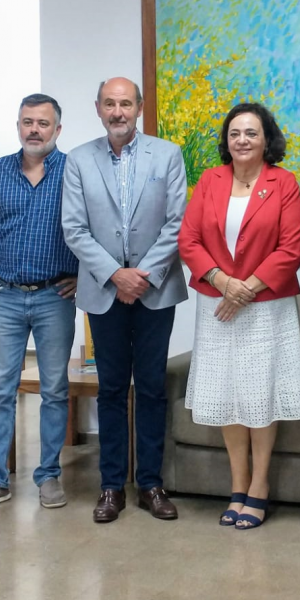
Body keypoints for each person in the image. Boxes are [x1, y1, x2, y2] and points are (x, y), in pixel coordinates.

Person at [61, 77, 188, 523]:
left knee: (151, 387)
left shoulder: (167, 155)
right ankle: (111, 485)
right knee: (111, 389)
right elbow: (74, 228)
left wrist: (141, 276)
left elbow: (177, 223)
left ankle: (151, 484)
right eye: (110, 104)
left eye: (126, 104)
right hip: (103, 291)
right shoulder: (78, 160)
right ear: (98, 108)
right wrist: (116, 275)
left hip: (156, 290)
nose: (118, 112)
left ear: (139, 107)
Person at [178, 103, 300, 529]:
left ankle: (260, 486)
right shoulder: (210, 181)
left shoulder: (283, 183)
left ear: (267, 139)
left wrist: (245, 289)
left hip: (265, 307)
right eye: (235, 133)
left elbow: (290, 249)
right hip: (218, 305)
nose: (243, 140)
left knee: (259, 394)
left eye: (251, 133)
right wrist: (222, 282)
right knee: (228, 394)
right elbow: (189, 239)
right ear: (226, 140)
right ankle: (237, 486)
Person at [0, 94, 79, 513]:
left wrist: (83, 275)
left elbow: (95, 227)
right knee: (0, 391)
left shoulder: (74, 171)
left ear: (57, 130)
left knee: (55, 390)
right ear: (18, 126)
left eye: (43, 123)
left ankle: (48, 476)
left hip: (55, 296)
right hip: (7, 296)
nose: (34, 129)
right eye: (27, 121)